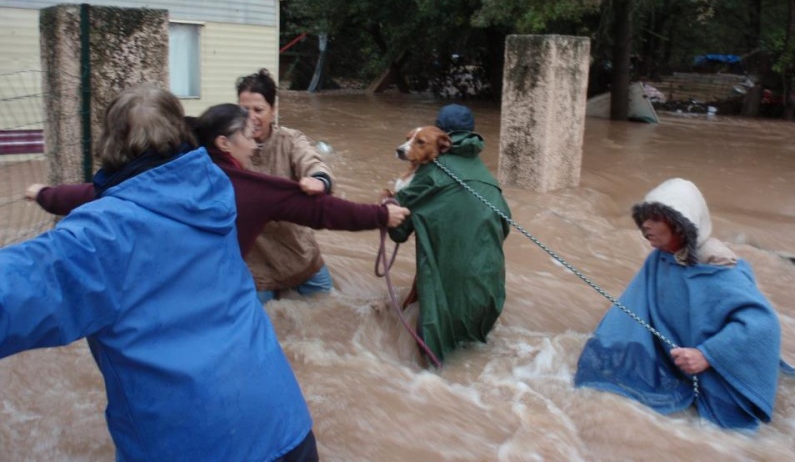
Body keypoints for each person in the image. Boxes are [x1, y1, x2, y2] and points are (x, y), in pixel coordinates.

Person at [2, 85, 318, 460]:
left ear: (109, 144)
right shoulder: (216, 192)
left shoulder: (101, 236)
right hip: (288, 429)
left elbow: (17, 290)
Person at [28, 103, 410, 263]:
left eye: (260, 115)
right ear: (224, 142)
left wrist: (44, 194)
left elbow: (93, 194)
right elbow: (325, 212)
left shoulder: (161, 173)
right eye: (248, 131)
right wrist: (381, 215)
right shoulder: (251, 187)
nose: (256, 139)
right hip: (223, 298)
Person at [574, 178, 793, 430]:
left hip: (713, 369)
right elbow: (634, 309)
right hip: (680, 361)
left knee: (729, 428)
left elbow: (763, 326)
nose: (646, 225)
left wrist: (707, 355)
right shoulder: (660, 259)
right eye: (645, 217)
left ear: (681, 225)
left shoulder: (719, 270)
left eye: (655, 218)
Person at [387, 117, 511, 365]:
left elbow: (398, 231)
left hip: (445, 298)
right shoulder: (486, 174)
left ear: (444, 141)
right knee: (478, 358)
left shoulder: (430, 175)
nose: (408, 145)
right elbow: (504, 224)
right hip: (491, 290)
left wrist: (387, 203)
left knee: (432, 366)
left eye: (420, 142)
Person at [237, 68, 335, 303]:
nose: (251, 118)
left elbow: (312, 161)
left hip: (298, 254)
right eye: (244, 110)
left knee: (330, 307)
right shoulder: (229, 144)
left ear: (273, 110)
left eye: (259, 110)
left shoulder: (291, 140)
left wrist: (319, 180)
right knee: (263, 323)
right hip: (255, 262)